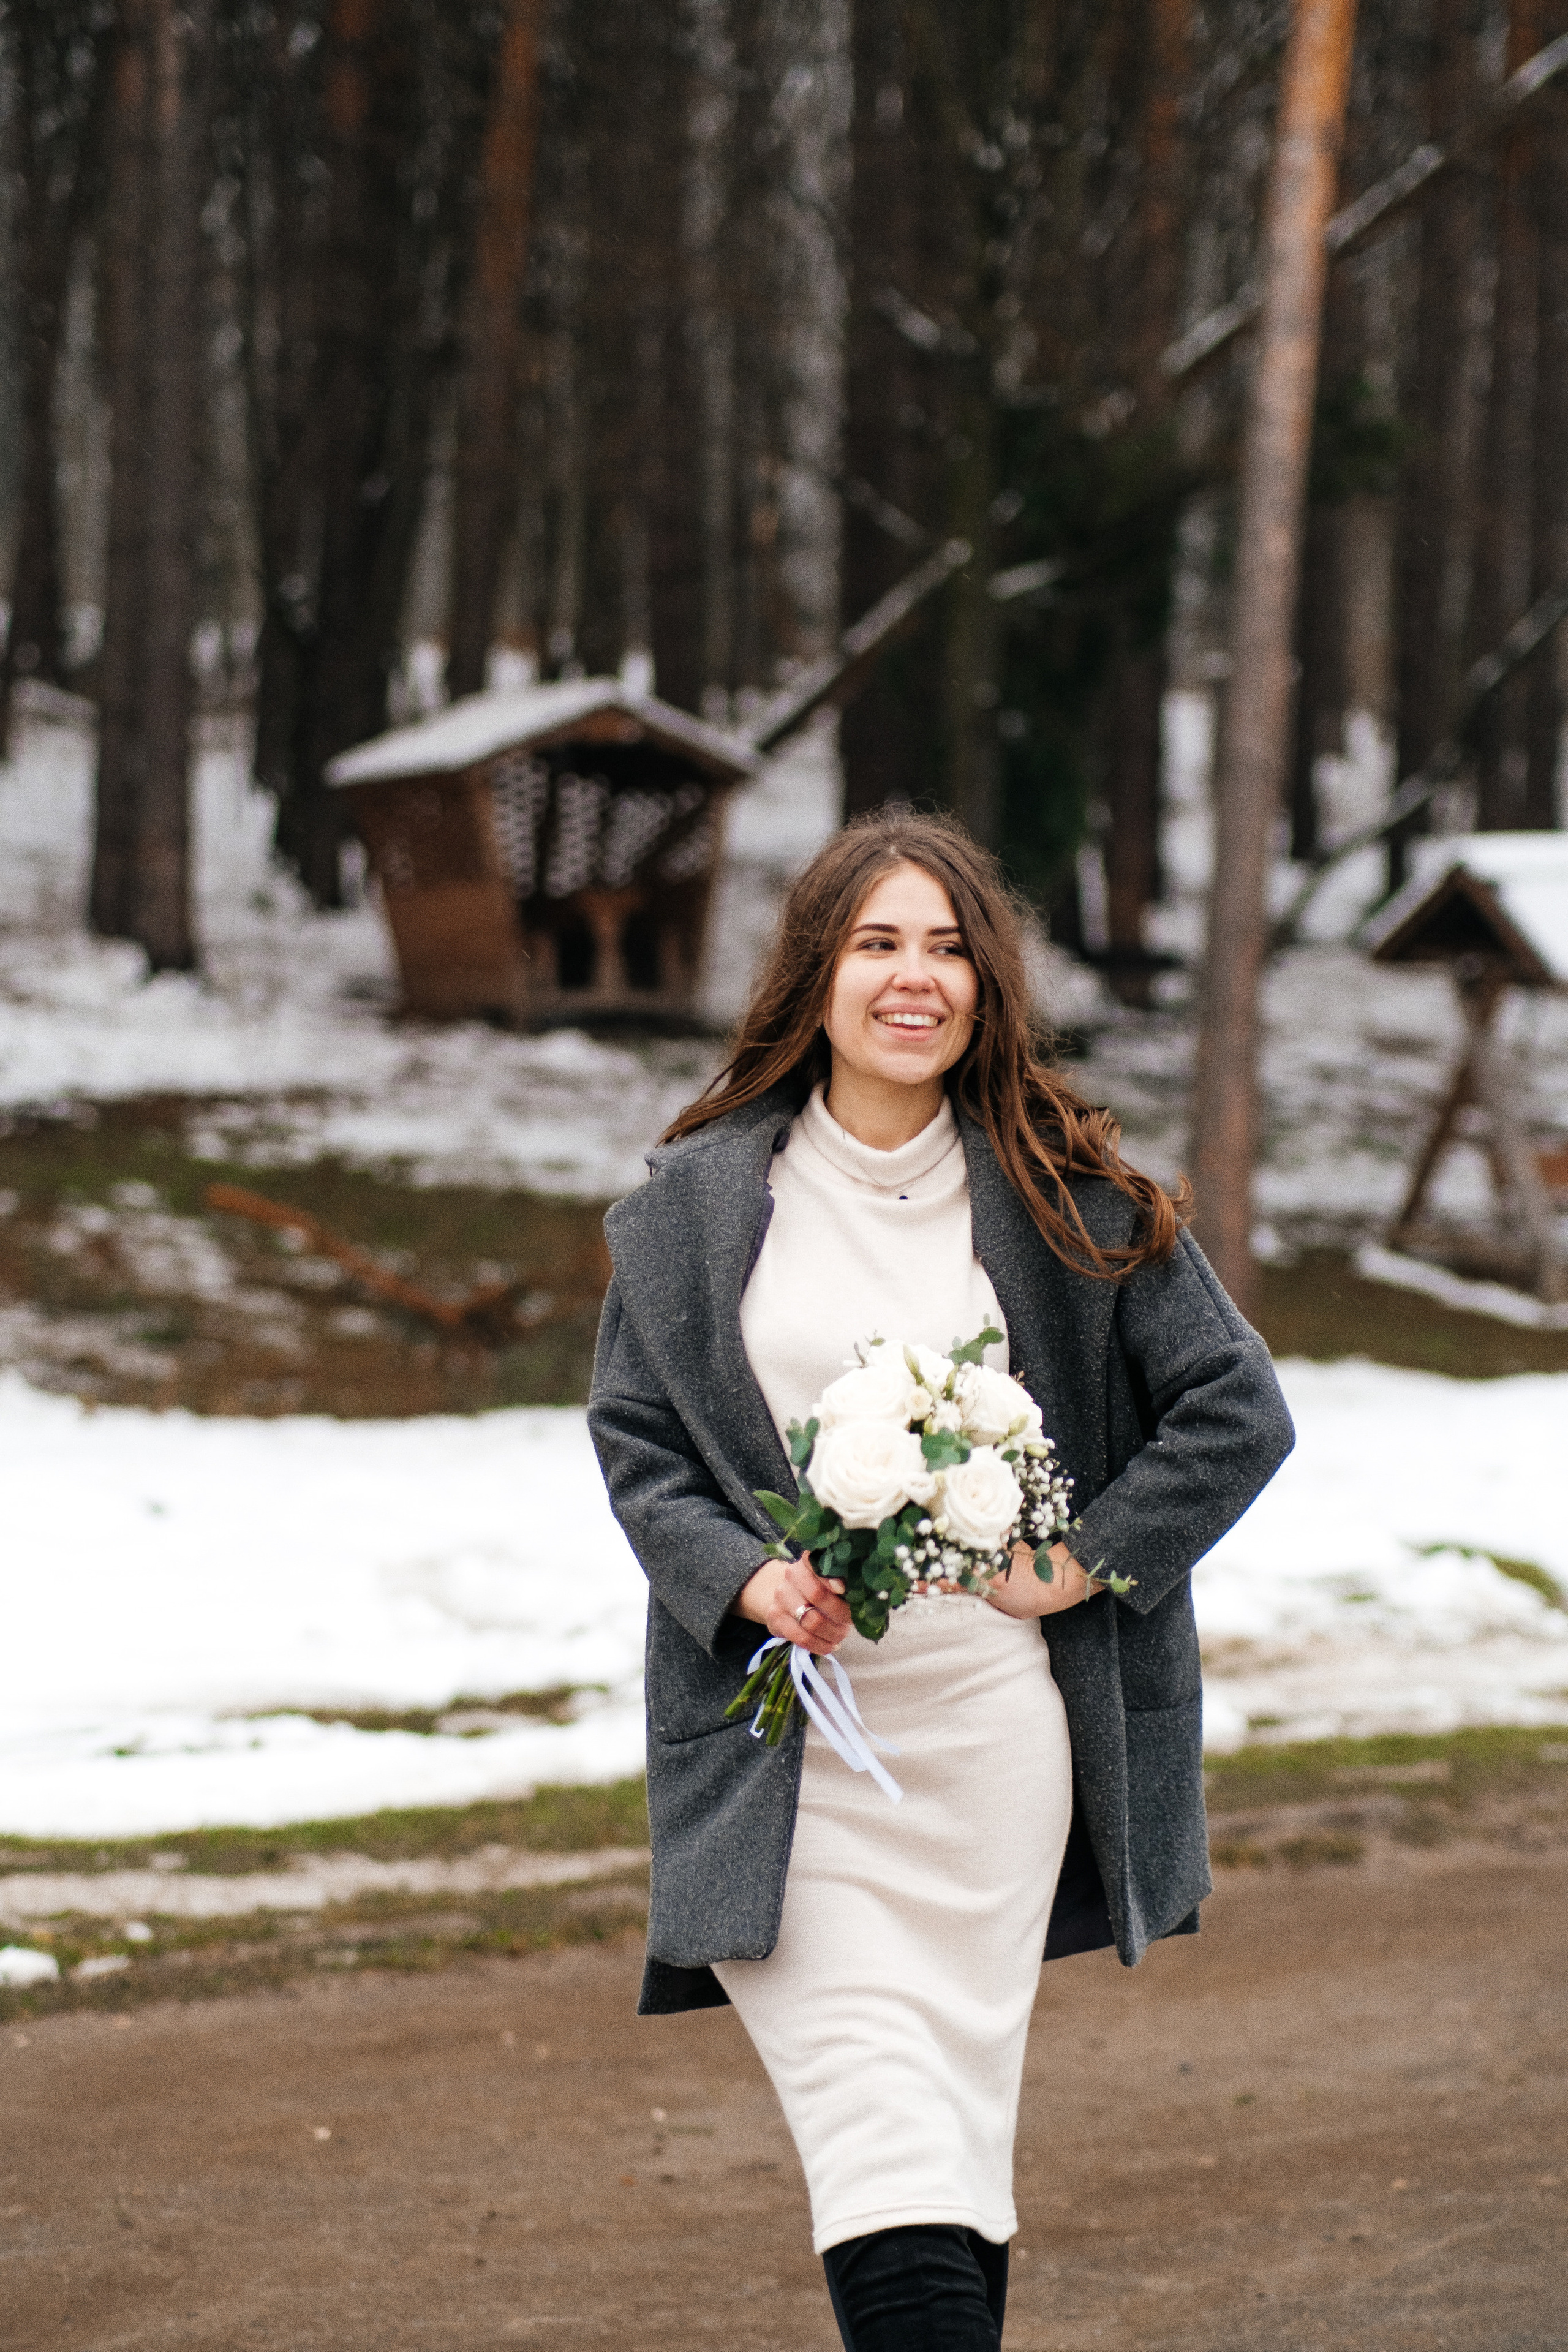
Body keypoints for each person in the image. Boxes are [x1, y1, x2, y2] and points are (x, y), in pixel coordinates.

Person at [589, 811, 1294, 2350]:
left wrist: (1086, 1558)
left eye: (948, 947)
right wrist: (744, 1580)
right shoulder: (698, 1210)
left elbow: (1236, 1412)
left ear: (987, 983)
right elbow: (639, 1443)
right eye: (877, 944)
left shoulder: (1063, 1191)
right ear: (815, 975)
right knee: (878, 2131)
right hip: (787, 1760)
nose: (916, 979)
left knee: (946, 2151)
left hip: (991, 1753)